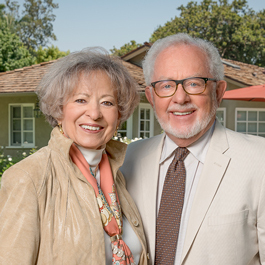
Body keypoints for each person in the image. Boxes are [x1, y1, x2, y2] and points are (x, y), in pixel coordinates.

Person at [121, 33, 265, 265]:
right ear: (151, 96)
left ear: (218, 92)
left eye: (194, 83)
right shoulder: (126, 162)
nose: (180, 98)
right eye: (166, 85)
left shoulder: (260, 161)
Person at [0, 47, 149, 265]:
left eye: (107, 102)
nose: (95, 113)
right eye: (81, 100)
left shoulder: (119, 176)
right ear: (59, 110)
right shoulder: (29, 178)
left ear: (119, 117)